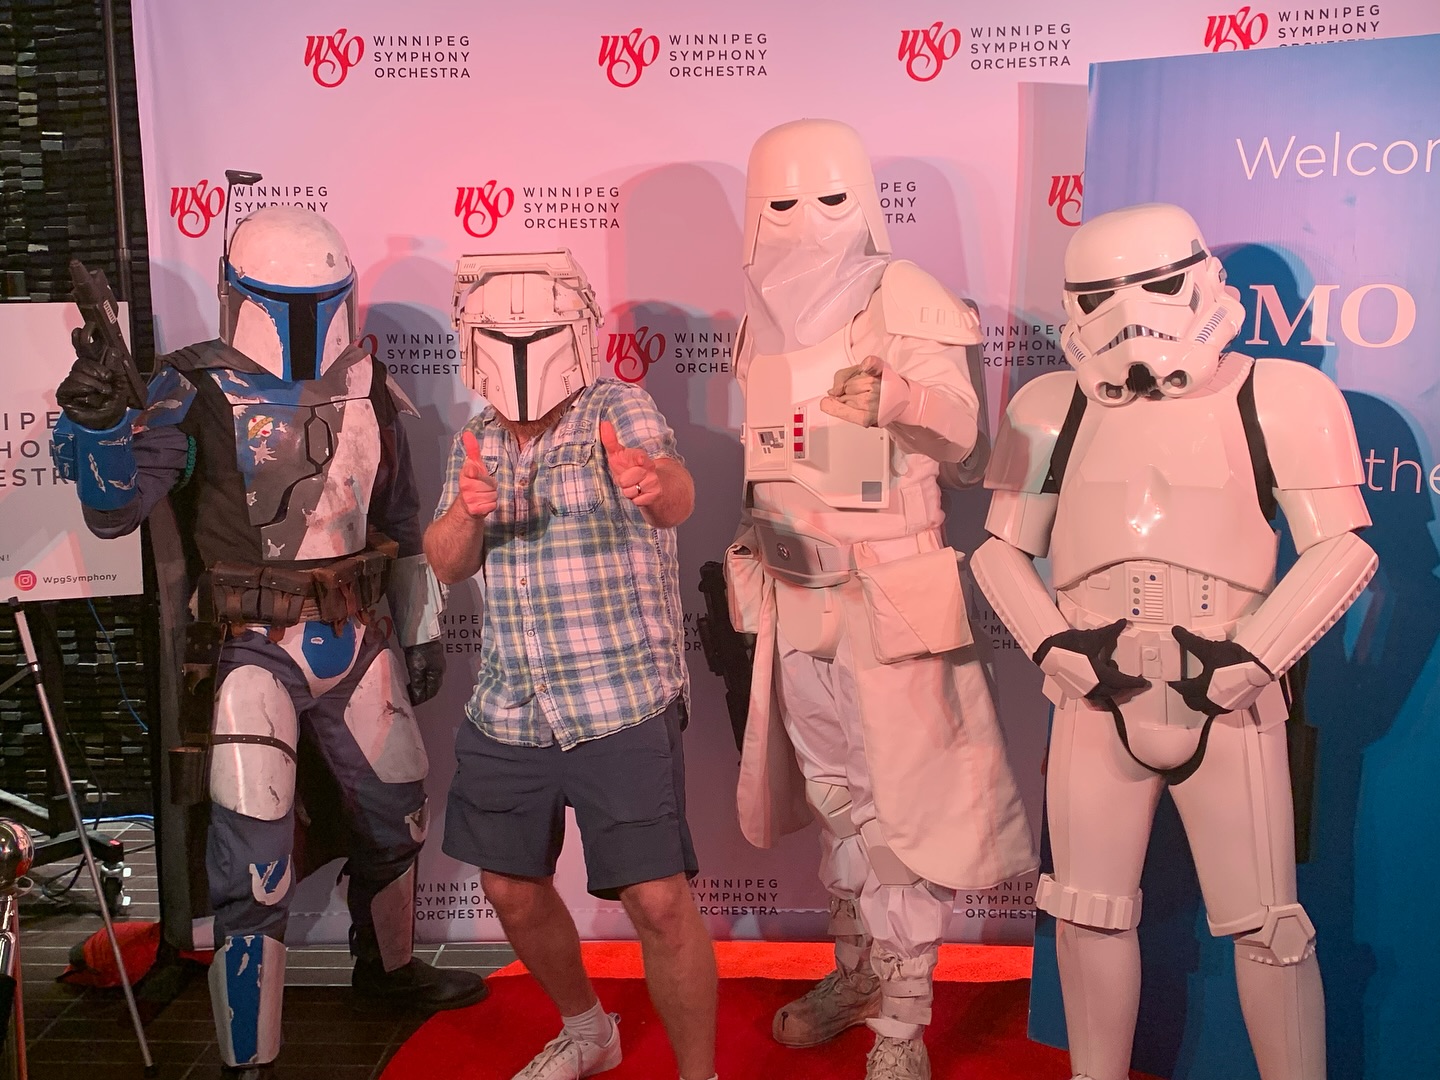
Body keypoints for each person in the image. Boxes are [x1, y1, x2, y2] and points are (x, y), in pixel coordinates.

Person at [51, 205, 488, 1076]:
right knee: (253, 854)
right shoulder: (191, 387)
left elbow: (396, 522)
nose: (303, 323)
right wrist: (101, 426)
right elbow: (114, 512)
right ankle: (248, 1054)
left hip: (358, 634)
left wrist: (419, 627)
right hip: (250, 646)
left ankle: (389, 969)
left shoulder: (371, 385)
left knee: (397, 816)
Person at [970, 203, 1377, 1080]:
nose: (1130, 319)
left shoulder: (1282, 394)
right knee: (1084, 913)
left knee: (1270, 924)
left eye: (1154, 287)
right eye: (1097, 297)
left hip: (1226, 685)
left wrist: (1254, 659)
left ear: (1202, 280)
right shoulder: (1047, 406)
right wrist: (1053, 647)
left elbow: (1343, 546)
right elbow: (998, 552)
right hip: (1093, 688)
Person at [725, 118, 1036, 1080]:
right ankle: (858, 974)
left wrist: (899, 395)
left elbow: (968, 444)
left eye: (825, 198)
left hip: (888, 595)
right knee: (838, 806)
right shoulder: (756, 314)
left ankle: (904, 1025)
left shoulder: (904, 292)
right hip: (794, 594)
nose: (805, 223)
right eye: (782, 201)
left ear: (861, 196)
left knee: (900, 815)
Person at [425, 251, 718, 1080]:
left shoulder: (620, 406)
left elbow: (676, 495)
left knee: (659, 902)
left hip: (618, 696)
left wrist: (649, 481)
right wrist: (467, 514)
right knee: (510, 888)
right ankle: (589, 1030)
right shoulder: (474, 438)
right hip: (510, 702)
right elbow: (445, 563)